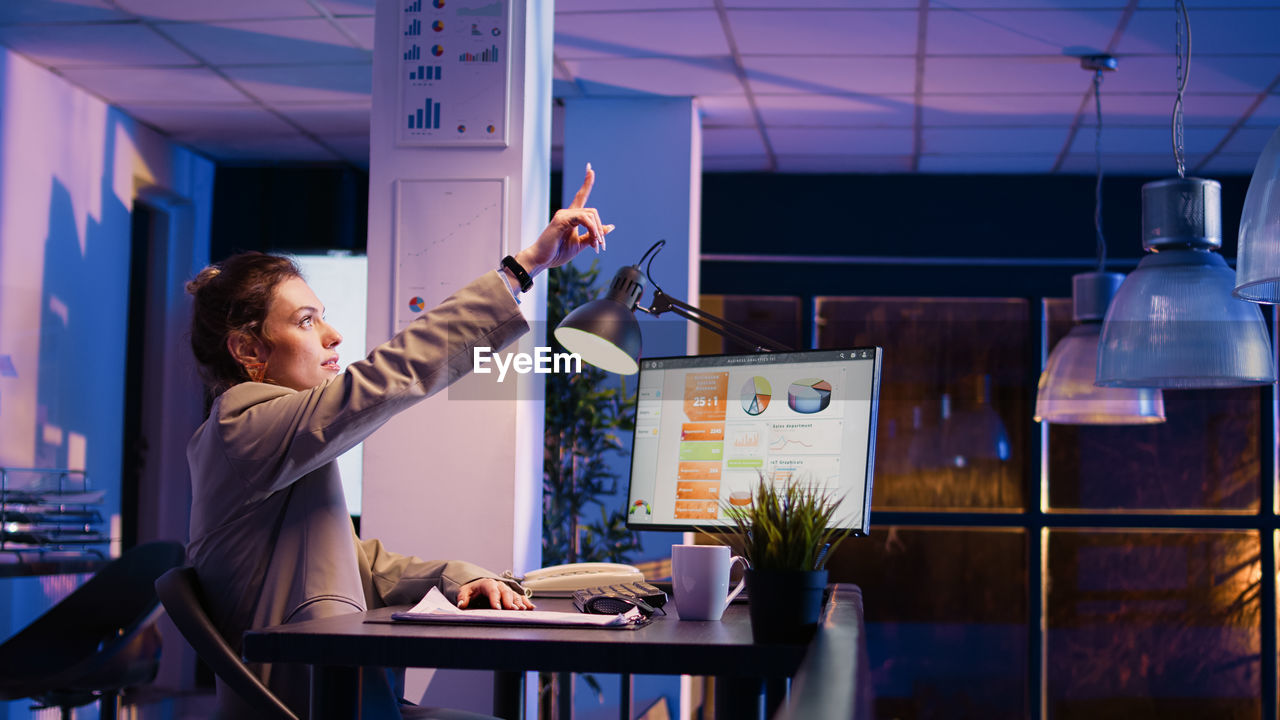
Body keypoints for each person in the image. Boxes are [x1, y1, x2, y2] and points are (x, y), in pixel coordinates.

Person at [183, 167, 613, 717]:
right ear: (248, 350)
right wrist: (523, 267)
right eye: (307, 321)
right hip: (316, 704)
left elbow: (354, 559)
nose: (332, 334)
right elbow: (385, 378)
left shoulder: (265, 438)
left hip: (336, 694)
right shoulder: (242, 428)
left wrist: (463, 575)